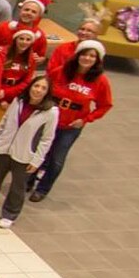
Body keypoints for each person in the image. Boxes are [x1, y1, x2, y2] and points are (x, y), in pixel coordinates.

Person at [30, 40, 112, 204]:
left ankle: (42, 189)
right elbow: (44, 87)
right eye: (84, 54)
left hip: (69, 127)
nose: (87, 58)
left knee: (56, 159)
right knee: (37, 151)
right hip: (49, 121)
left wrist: (86, 119)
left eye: (92, 56)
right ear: (77, 55)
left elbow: (105, 105)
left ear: (97, 60)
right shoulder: (61, 71)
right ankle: (28, 180)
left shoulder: (101, 81)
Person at [0, 74, 56, 228]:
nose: (38, 90)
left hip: (25, 155)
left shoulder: (51, 112)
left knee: (18, 185)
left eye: (43, 88)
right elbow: (4, 122)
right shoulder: (18, 101)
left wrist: (37, 160)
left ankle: (10, 213)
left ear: (47, 92)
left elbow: (46, 139)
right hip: (4, 148)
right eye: (36, 86)